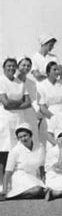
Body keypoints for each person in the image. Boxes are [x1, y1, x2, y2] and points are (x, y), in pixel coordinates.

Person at [0, 57, 32, 186]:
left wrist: (15, 103)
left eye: (13, 66)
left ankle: (15, 183)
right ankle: (1, 184)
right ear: (4, 67)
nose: (11, 68)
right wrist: (20, 101)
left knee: (17, 150)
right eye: (9, 66)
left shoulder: (20, 82)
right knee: (4, 151)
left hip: (19, 119)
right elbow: (5, 103)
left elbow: (28, 102)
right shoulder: (1, 81)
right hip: (5, 120)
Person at [1, 124, 46, 200]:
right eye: (20, 137)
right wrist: (4, 190)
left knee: (43, 190)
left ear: (30, 135)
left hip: (34, 176)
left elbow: (41, 166)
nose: (23, 139)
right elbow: (7, 172)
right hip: (20, 178)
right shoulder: (15, 151)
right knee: (37, 190)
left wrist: (44, 180)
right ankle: (12, 196)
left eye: (25, 135)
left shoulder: (40, 146)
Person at [37, 61, 62, 143]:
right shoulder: (41, 85)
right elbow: (42, 107)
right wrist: (54, 118)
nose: (57, 72)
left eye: (58, 70)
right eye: (54, 70)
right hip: (49, 116)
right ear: (48, 72)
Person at [16, 57, 41, 144]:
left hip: (29, 114)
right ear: (18, 66)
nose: (26, 67)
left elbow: (34, 100)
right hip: (15, 113)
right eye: (23, 65)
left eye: (28, 66)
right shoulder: (12, 80)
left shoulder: (31, 83)